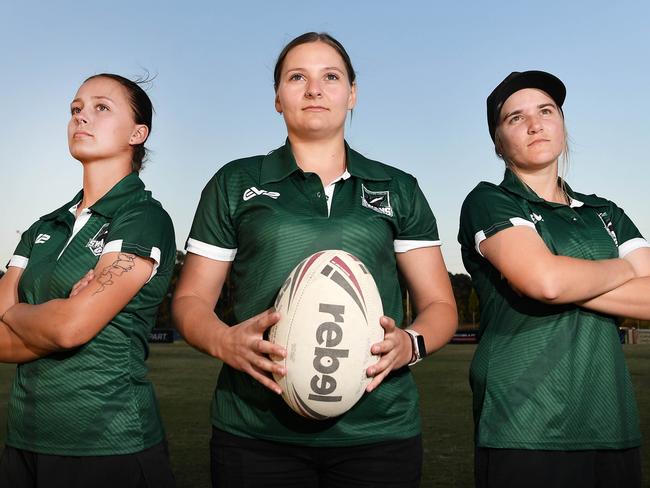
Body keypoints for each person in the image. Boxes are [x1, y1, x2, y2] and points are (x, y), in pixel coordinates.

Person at [172, 32, 458, 487]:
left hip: (378, 432)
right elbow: (189, 299)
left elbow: (440, 306)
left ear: (352, 94)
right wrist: (223, 342)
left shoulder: (398, 187)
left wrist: (411, 344)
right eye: (297, 77)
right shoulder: (234, 182)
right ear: (277, 99)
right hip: (254, 430)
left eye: (331, 76)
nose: (314, 89)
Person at [458, 70, 650, 488]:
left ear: (562, 123)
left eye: (546, 111)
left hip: (611, 421)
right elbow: (545, 283)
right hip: (523, 424)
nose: (534, 124)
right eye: (515, 118)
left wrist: (562, 277)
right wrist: (625, 269)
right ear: (498, 142)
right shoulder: (489, 200)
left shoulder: (605, 212)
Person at [0, 73, 176, 488]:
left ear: (138, 132)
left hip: (109, 445)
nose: (81, 117)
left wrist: (14, 310)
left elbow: (70, 328)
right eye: (76, 109)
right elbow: (57, 328)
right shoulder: (44, 226)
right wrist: (60, 315)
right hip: (24, 441)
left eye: (101, 107)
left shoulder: (143, 217)